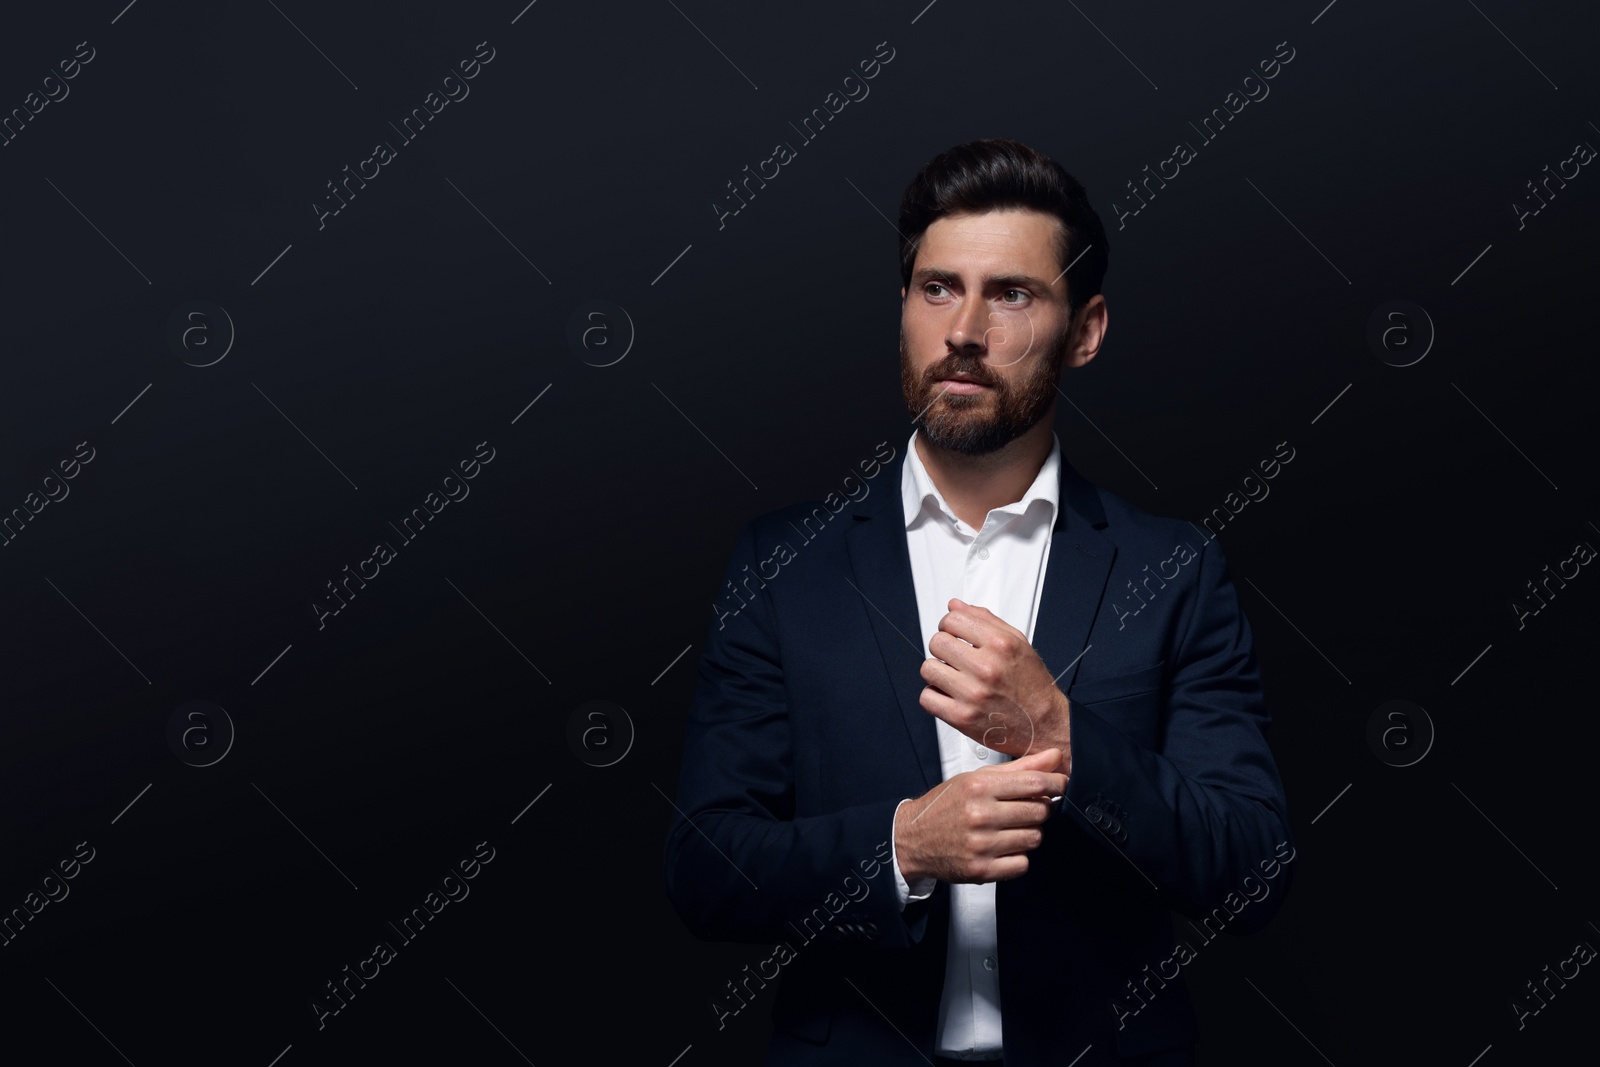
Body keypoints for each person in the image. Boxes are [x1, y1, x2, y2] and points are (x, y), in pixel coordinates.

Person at [663, 138, 1293, 1066]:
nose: (963, 327)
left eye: (1012, 293)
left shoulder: (1176, 570)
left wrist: (1065, 738)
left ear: (1086, 329)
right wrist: (903, 846)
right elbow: (705, 869)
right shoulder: (784, 563)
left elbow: (1253, 872)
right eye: (936, 288)